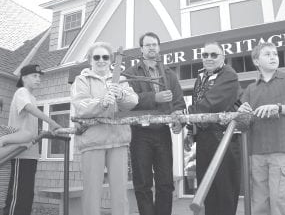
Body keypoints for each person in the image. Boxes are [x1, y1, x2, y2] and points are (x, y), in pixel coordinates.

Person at [71, 42, 138, 215]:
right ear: (90, 60)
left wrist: (121, 95)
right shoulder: (82, 80)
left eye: (105, 57)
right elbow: (80, 105)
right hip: (93, 141)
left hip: (118, 140)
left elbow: (133, 101)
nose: (101, 60)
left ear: (111, 60)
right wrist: (101, 102)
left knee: (120, 191)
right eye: (97, 57)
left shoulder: (120, 79)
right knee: (92, 192)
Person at [124, 32, 186, 215]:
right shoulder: (130, 73)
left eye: (155, 44)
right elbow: (127, 102)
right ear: (141, 49)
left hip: (162, 132)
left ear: (159, 47)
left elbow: (179, 102)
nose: (152, 47)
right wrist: (154, 97)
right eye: (148, 45)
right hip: (139, 133)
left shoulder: (169, 74)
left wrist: (178, 119)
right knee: (142, 182)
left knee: (165, 182)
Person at [238, 42, 285, 215]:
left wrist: (278, 107)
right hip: (256, 152)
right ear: (256, 61)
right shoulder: (250, 89)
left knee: (280, 201)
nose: (273, 57)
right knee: (259, 204)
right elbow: (242, 122)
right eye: (268, 54)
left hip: (282, 149)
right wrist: (241, 111)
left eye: (275, 54)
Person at [187, 42, 241, 215]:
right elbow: (198, 105)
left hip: (224, 138)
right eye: (205, 55)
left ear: (223, 57)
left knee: (225, 191)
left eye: (213, 55)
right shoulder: (200, 77)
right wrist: (190, 132)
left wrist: (185, 117)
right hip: (204, 140)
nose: (208, 58)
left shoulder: (229, 74)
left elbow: (211, 104)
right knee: (208, 191)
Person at [0, 64, 61, 215]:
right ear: (24, 77)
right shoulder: (22, 92)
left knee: (26, 195)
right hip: (20, 153)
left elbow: (30, 125)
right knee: (18, 197)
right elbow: (29, 108)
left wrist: (44, 131)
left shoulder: (32, 97)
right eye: (35, 76)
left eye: (39, 76)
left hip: (31, 153)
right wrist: (51, 122)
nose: (38, 79)